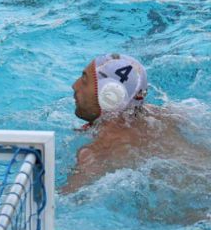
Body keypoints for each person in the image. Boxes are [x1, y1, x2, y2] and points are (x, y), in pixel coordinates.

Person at [63, 53, 207, 193]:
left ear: (110, 95)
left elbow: (62, 204)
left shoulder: (98, 152)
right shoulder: (170, 115)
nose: (75, 86)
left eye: (84, 80)